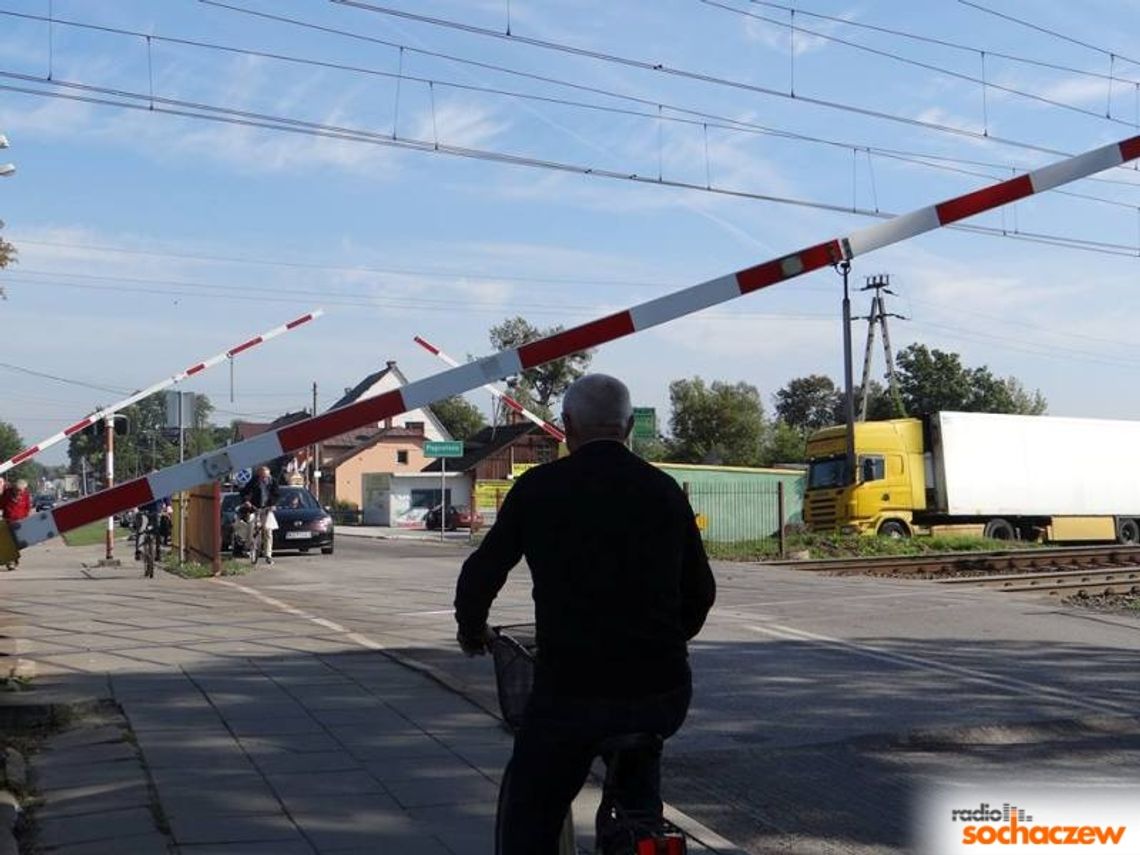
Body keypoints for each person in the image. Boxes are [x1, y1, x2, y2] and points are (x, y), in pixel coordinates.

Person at [454, 374, 716, 854]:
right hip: (660, 692)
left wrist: (472, 631)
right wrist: (664, 640)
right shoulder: (663, 491)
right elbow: (701, 592)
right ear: (628, 426)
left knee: (529, 812)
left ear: (568, 425)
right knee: (639, 797)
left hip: (571, 694)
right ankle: (641, 829)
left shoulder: (540, 488)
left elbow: (481, 574)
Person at [238, 465, 279, 564]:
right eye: (262, 476)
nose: (263, 478)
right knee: (251, 526)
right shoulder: (254, 481)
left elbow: (276, 494)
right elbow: (243, 492)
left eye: (265, 476)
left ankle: (268, 555)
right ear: (259, 475)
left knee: (268, 531)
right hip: (254, 507)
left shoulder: (273, 481)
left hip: (267, 508)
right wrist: (246, 501)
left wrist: (273, 505)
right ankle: (249, 547)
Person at [1, 479, 32, 570]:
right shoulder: (7, 493)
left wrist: (25, 518)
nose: (19, 492)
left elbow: (27, 507)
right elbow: (1, 504)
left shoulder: (25, 494)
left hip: (20, 522)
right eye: (18, 490)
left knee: (17, 543)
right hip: (8, 521)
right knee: (10, 542)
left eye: (21, 491)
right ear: (14, 488)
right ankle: (11, 561)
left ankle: (14, 560)